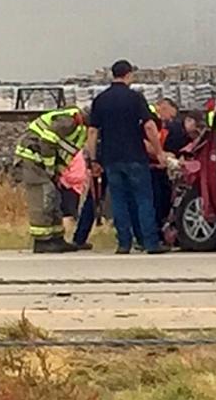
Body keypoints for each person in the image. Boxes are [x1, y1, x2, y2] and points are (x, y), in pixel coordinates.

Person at [86, 59, 169, 255]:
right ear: (128, 75)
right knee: (143, 199)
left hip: (111, 158)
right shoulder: (135, 98)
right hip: (135, 156)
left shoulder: (100, 100)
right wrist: (159, 153)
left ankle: (124, 243)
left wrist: (94, 160)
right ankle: (150, 243)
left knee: (119, 200)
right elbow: (149, 126)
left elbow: (92, 132)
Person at [13, 106, 88, 254]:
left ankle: (56, 238)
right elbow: (47, 143)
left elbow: (66, 153)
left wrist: (57, 172)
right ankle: (42, 242)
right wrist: (50, 169)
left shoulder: (79, 129)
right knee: (42, 198)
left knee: (54, 197)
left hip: (43, 162)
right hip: (32, 160)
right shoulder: (67, 121)